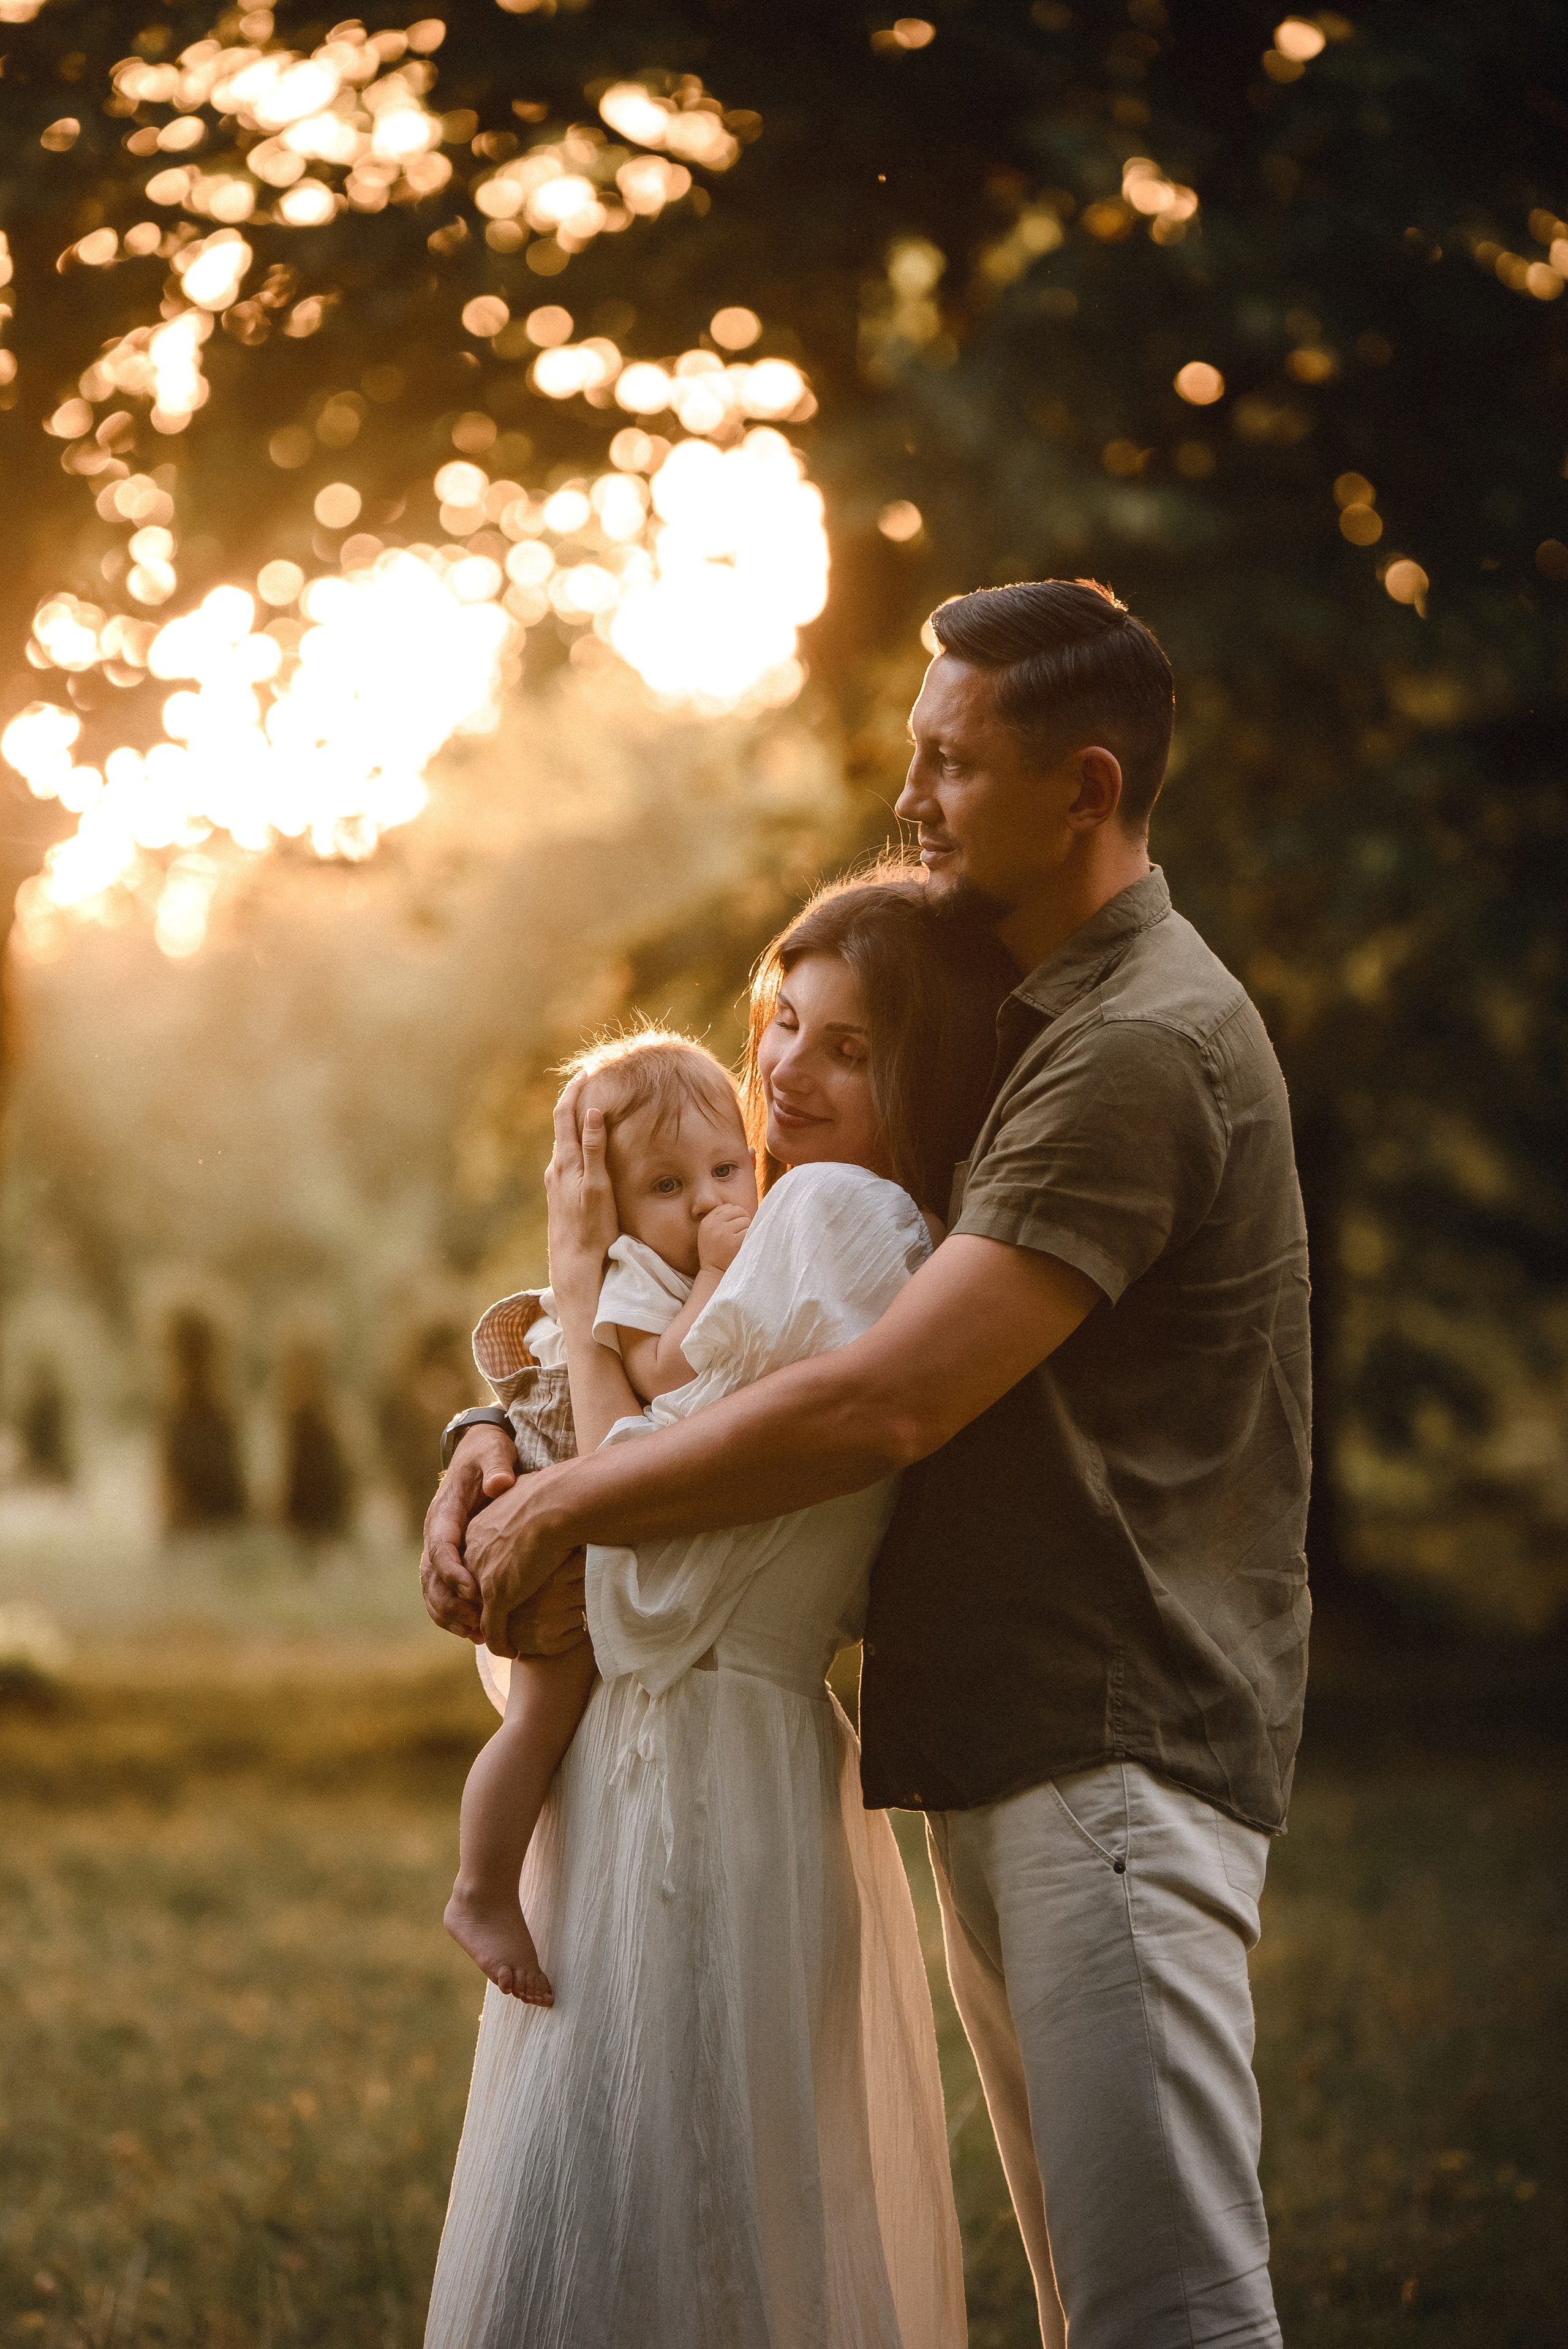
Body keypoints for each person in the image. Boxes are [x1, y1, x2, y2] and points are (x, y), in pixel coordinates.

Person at [428, 579, 1312, 2349]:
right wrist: (488, 1424)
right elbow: (728, 1316)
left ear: (1080, 787)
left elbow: (879, 1401)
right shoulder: (1025, 1016)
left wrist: (556, 1498)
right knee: (1092, 2296)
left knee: (1164, 2305)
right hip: (1007, 1732)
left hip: (1112, 1739)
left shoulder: (1131, 1045)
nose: (909, 794)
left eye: (949, 761)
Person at [423, 876, 1011, 2349]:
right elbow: (599, 1408)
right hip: (697, 1754)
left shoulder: (833, 1215)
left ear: (923, 1065)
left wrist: (566, 1276)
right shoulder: (803, 1233)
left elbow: (627, 1502)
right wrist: (481, 1433)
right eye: (780, 1026)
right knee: (687, 2174)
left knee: (661, 2175)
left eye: (848, 1048)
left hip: (696, 1758)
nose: (785, 1073)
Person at [442, 1028, 759, 2006]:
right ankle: (482, 1888)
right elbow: (666, 1371)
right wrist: (713, 1277)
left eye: (725, 1168)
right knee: (540, 1715)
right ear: (610, 1212)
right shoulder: (632, 1277)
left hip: (595, 1517)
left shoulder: (702, 1246)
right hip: (562, 1510)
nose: (708, 1199)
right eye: (667, 1187)